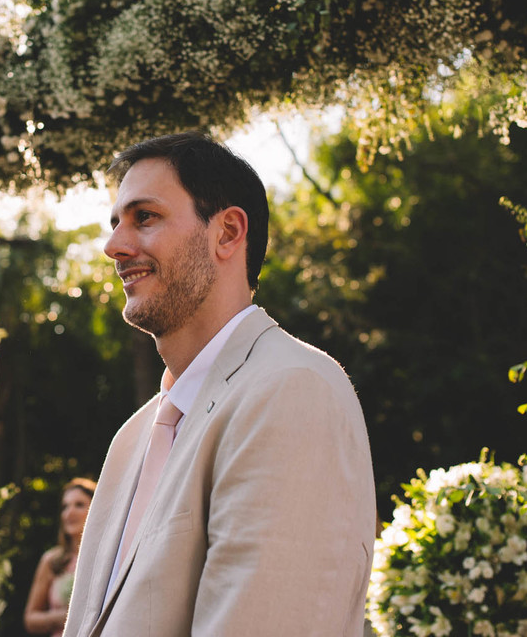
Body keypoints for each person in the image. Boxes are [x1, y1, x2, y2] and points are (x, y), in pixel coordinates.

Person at [62, 131, 376, 637]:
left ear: (227, 232)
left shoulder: (292, 390)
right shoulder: (134, 437)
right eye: (115, 222)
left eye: (145, 217)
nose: (114, 246)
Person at [23, 478, 96, 636]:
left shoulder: (107, 559)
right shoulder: (52, 560)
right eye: (65, 506)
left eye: (79, 505)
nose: (69, 513)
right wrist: (63, 617)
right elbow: (31, 618)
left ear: (96, 509)